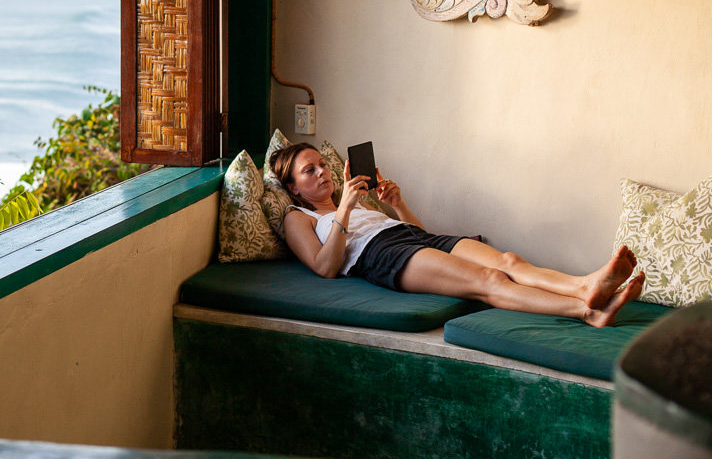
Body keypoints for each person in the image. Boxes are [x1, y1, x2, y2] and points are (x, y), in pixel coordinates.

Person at [268, 143, 643, 328]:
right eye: (309, 171)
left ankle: (583, 285)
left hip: (407, 237)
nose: (321, 172)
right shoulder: (297, 217)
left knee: (508, 260)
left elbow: (419, 234)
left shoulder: (357, 202)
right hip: (380, 255)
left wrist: (397, 204)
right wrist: (345, 209)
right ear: (293, 187)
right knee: (488, 280)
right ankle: (587, 310)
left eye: (321, 164)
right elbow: (325, 267)